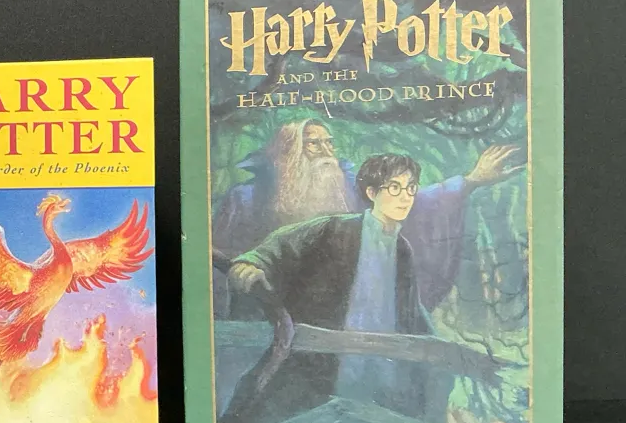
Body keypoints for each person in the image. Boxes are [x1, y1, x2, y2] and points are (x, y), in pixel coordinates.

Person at [222, 153, 443, 423]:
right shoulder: (335, 228)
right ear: (371, 192)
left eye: (411, 188)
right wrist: (252, 262)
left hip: (380, 370)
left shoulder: (403, 250)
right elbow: (280, 246)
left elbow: (411, 311)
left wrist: (440, 352)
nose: (405, 196)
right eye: (394, 187)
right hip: (325, 363)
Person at [212, 119, 522, 313]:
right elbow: (218, 255)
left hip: (346, 310)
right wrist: (246, 268)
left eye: (329, 143)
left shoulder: (350, 188)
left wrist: (470, 181)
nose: (327, 151)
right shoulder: (246, 198)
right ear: (288, 153)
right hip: (268, 309)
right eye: (314, 144)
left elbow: (412, 201)